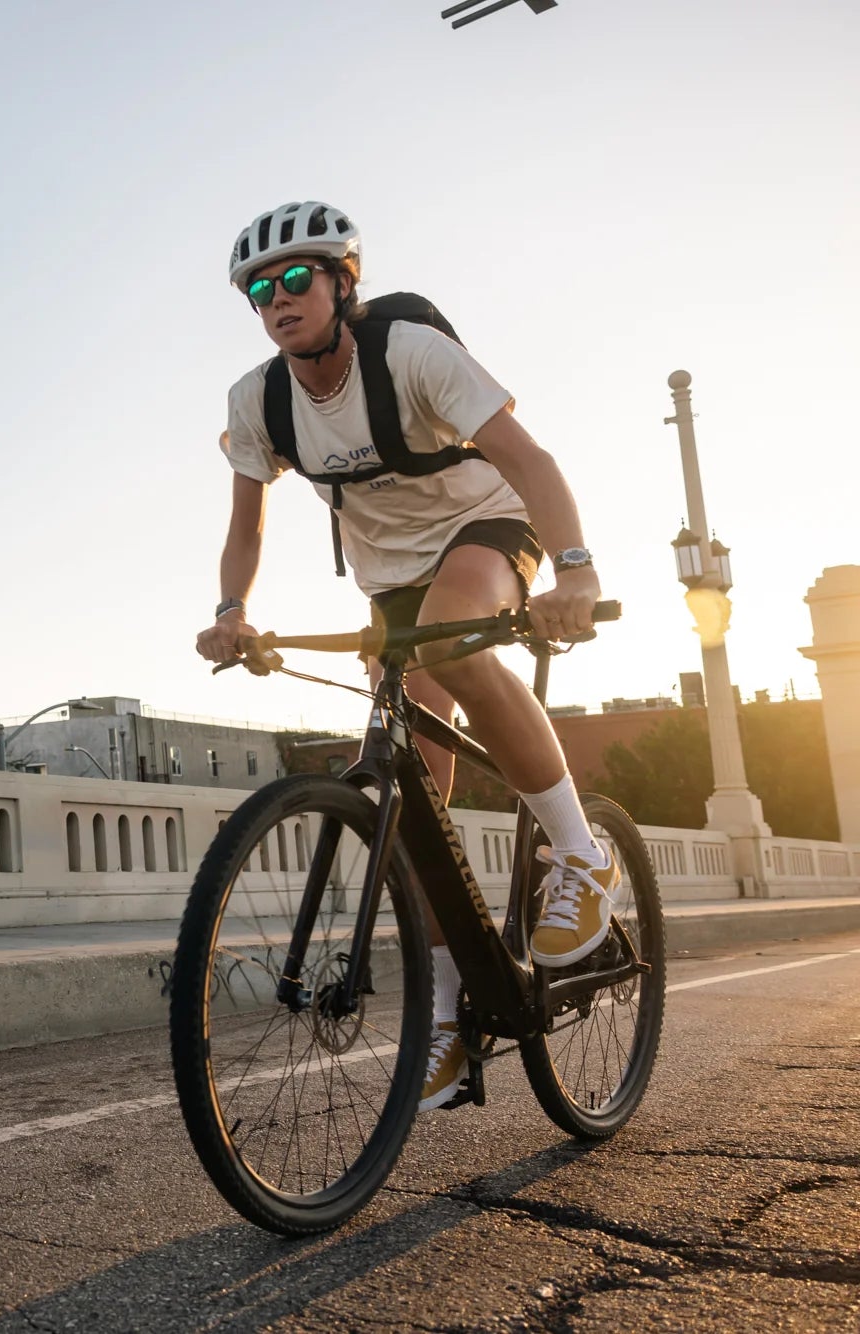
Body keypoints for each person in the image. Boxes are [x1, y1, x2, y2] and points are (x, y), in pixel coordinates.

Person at [195, 201, 618, 1111]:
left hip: (485, 525)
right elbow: (246, 525)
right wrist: (232, 613)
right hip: (390, 578)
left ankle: (581, 855)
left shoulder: (411, 354)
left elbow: (529, 459)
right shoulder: (259, 401)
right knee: (408, 802)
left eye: (295, 279)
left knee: (458, 644)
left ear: (341, 283)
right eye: (259, 292)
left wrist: (576, 570)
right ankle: (451, 1017)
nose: (278, 300)